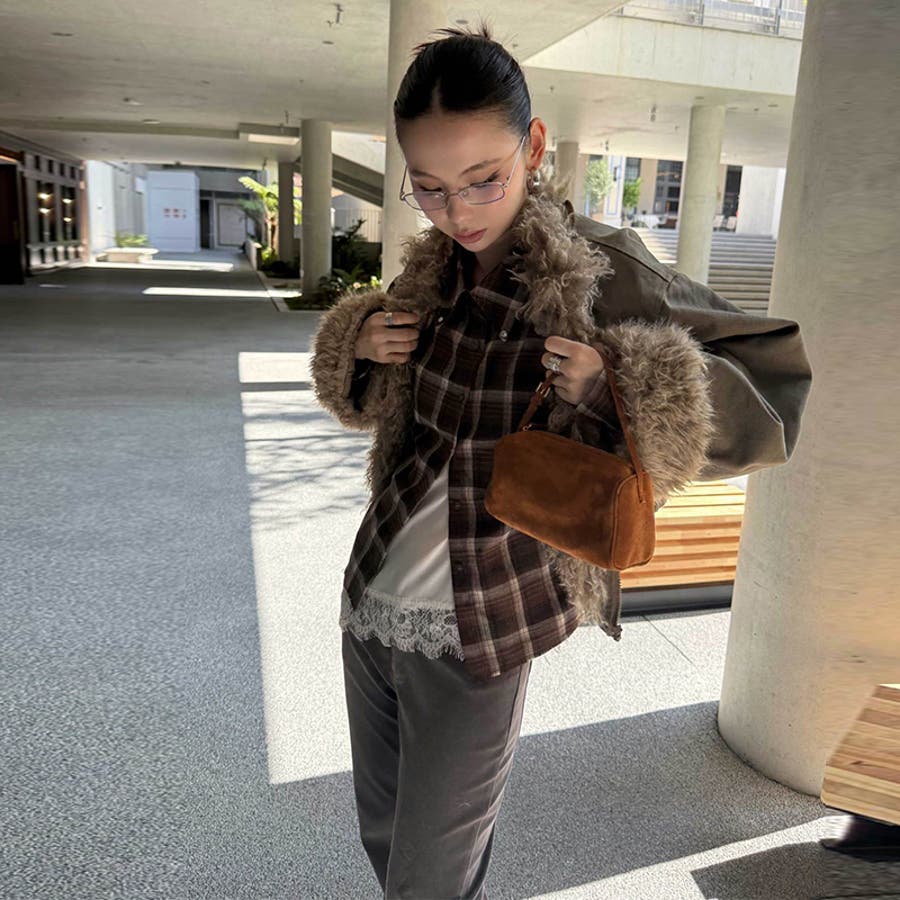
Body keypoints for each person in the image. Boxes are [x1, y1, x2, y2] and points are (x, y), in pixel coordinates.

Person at [310, 22, 812, 900]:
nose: (459, 212)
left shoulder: (599, 272)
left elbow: (771, 386)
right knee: (385, 841)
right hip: (373, 597)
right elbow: (378, 413)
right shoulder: (431, 276)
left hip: (486, 621)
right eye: (429, 188)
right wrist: (360, 341)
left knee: (431, 876)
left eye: (484, 179)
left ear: (534, 147)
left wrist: (620, 384)